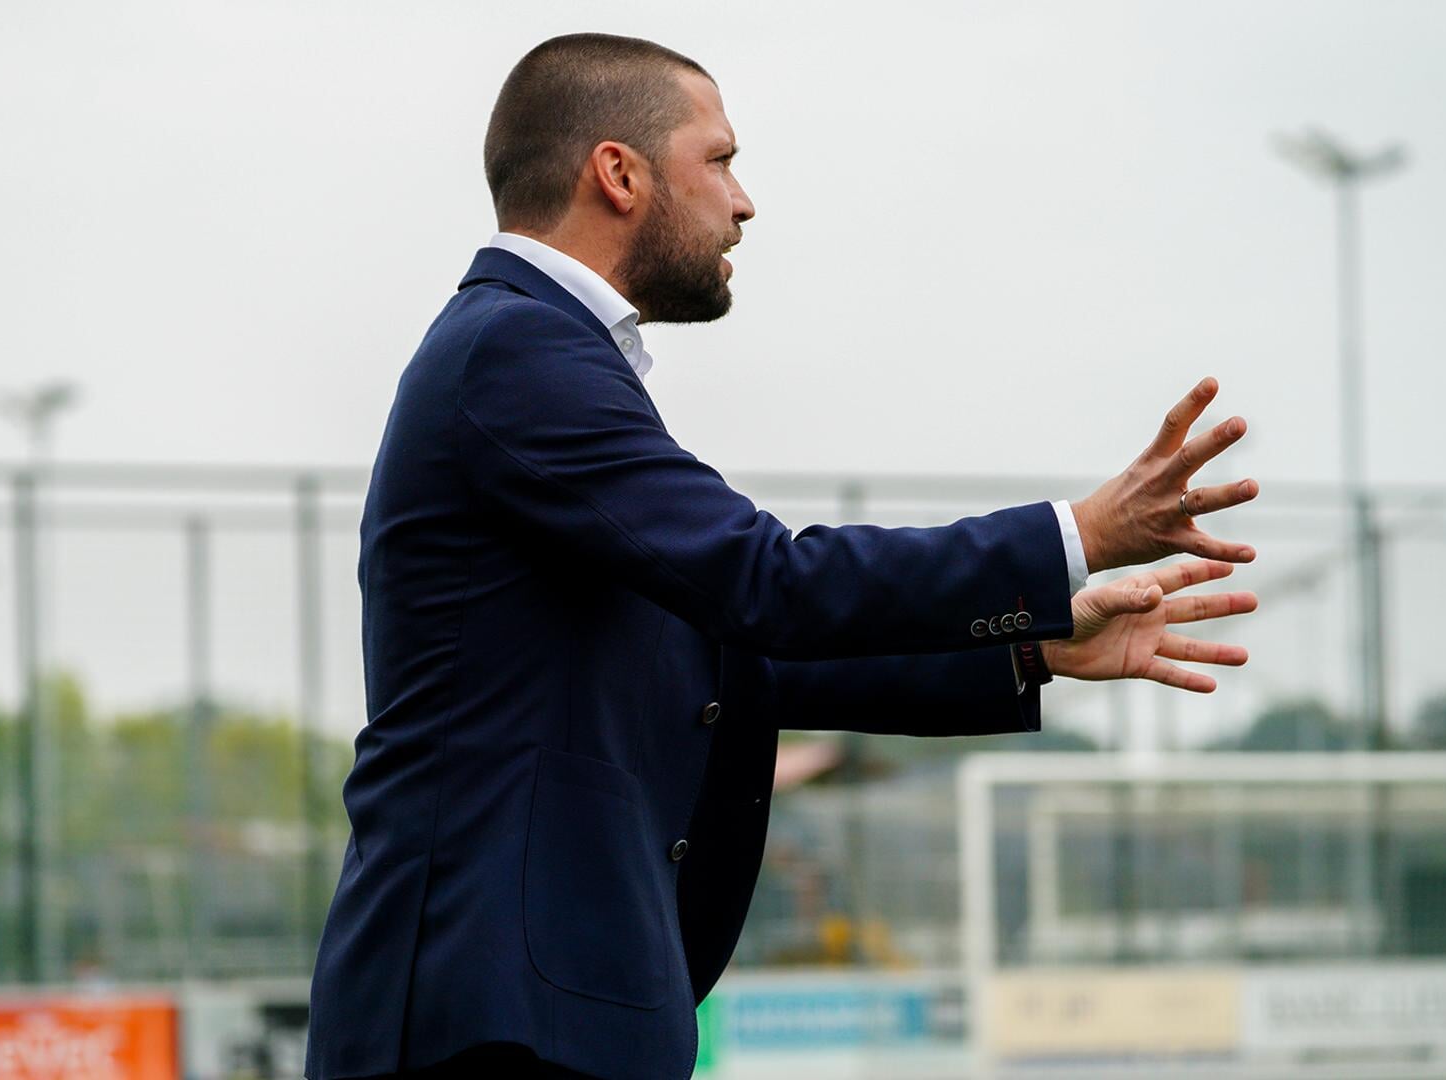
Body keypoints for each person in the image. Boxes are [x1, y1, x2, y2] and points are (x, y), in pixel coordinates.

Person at [305, 32, 1260, 1080]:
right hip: (485, 1015)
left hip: (529, 1011)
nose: (743, 201)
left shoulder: (542, 358)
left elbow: (718, 652)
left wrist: (1029, 645)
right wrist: (1070, 537)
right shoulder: (517, 353)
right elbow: (767, 585)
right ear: (616, 173)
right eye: (717, 160)